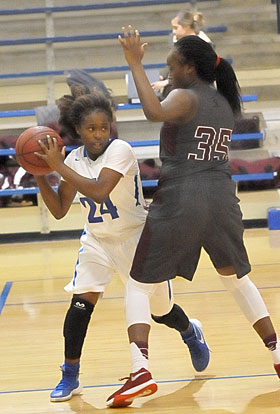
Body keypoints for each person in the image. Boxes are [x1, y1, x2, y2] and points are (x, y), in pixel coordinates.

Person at [105, 26, 280, 408]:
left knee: (138, 285)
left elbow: (153, 111)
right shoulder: (223, 101)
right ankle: (277, 352)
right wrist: (158, 82)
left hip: (184, 195)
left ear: (187, 67)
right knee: (236, 281)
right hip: (221, 198)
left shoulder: (185, 97)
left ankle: (140, 370)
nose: (167, 74)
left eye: (170, 67)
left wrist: (134, 62)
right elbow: (169, 104)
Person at [34, 85, 210, 402]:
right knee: (79, 304)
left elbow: (100, 191)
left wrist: (57, 166)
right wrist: (38, 173)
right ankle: (70, 375)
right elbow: (59, 210)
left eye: (104, 127)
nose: (99, 133)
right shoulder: (73, 159)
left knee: (161, 311)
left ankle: (189, 331)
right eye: (91, 128)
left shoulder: (121, 151)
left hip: (137, 240)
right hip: (97, 241)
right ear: (78, 130)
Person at [151, 10, 214, 100]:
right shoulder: (177, 41)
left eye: (176, 28)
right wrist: (162, 75)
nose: (173, 31)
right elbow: (174, 64)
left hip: (197, 92)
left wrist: (167, 82)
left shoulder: (203, 45)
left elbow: (194, 73)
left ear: (187, 27)